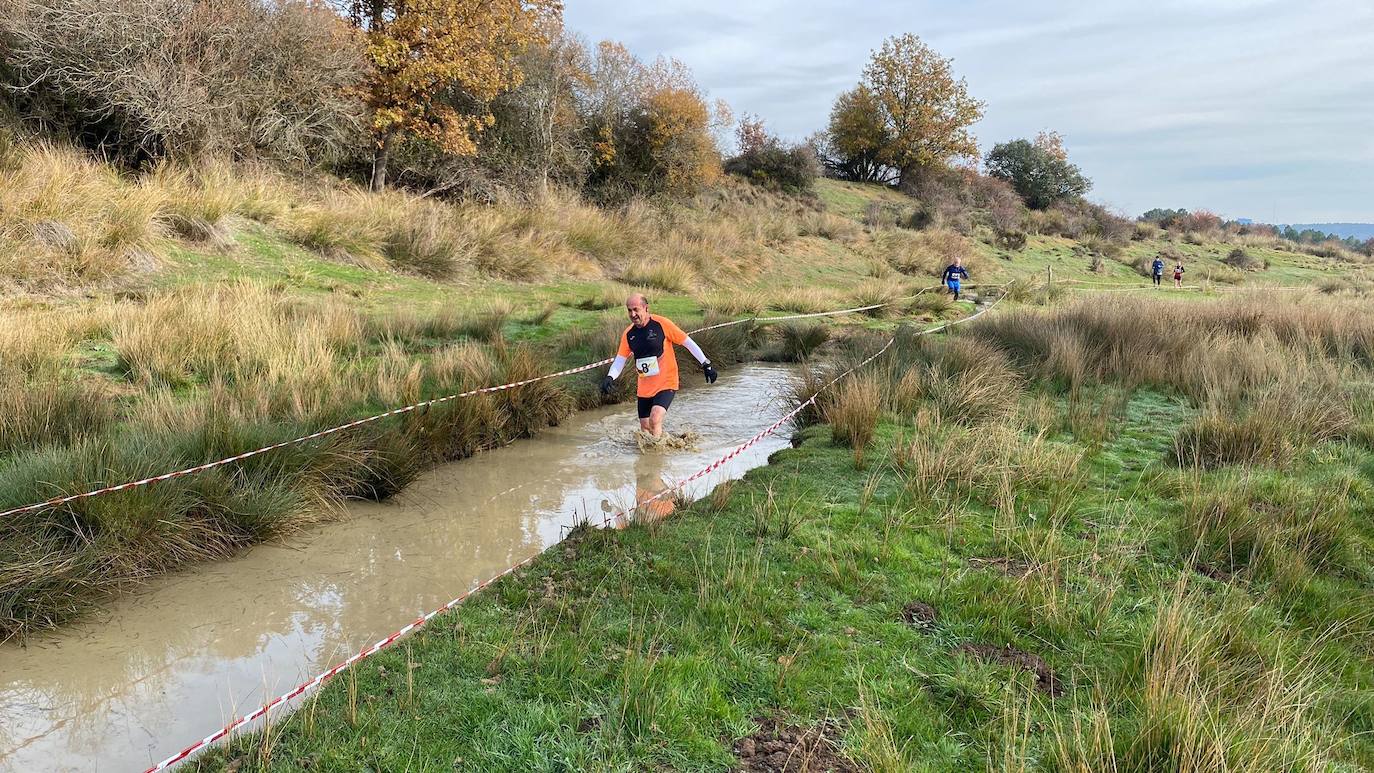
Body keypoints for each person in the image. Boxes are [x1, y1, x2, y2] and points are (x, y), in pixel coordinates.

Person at [600, 293, 717, 438]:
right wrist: (610, 377)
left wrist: (706, 364)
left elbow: (687, 342)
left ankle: (657, 457)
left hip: (666, 382)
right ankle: (653, 452)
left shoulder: (661, 324)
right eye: (629, 310)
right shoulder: (629, 334)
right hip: (644, 387)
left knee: (654, 419)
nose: (633, 314)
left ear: (646, 308)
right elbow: (620, 359)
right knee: (645, 427)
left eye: (636, 309)